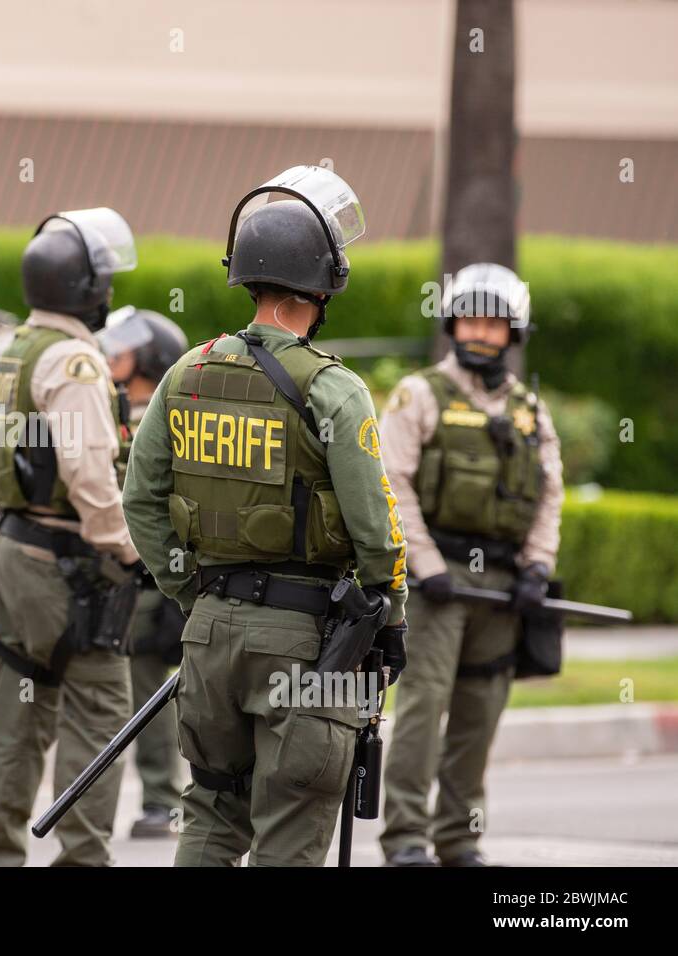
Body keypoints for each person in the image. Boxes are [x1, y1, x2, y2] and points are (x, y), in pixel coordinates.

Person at [122, 166, 409, 866]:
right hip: (309, 645)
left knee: (214, 812)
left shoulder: (185, 373)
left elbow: (140, 500)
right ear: (321, 285)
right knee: (292, 826)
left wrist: (193, 594)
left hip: (209, 636)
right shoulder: (334, 389)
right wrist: (391, 616)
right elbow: (376, 529)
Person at [0, 208, 142, 867]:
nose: (110, 293)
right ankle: (83, 859)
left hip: (11, 547)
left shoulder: (17, 349)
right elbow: (90, 474)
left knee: (19, 711)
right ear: (84, 289)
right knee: (101, 706)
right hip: (64, 559)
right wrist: (130, 550)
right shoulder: (73, 361)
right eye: (104, 282)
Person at [378, 263, 563, 867]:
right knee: (422, 712)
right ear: (452, 324)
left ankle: (459, 839)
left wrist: (537, 568)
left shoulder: (533, 411)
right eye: (470, 320)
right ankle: (405, 838)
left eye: (494, 322)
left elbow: (548, 495)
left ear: (514, 333)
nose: (481, 333)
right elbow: (390, 483)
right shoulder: (421, 394)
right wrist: (425, 567)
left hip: (505, 592)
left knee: (479, 718)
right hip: (439, 586)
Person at [99, 307, 189, 839]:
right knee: (127, 689)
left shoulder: (174, 414)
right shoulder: (102, 411)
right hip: (112, 575)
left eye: (124, 349)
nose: (112, 358)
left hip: (162, 577)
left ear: (151, 355)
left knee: (159, 688)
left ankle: (164, 801)